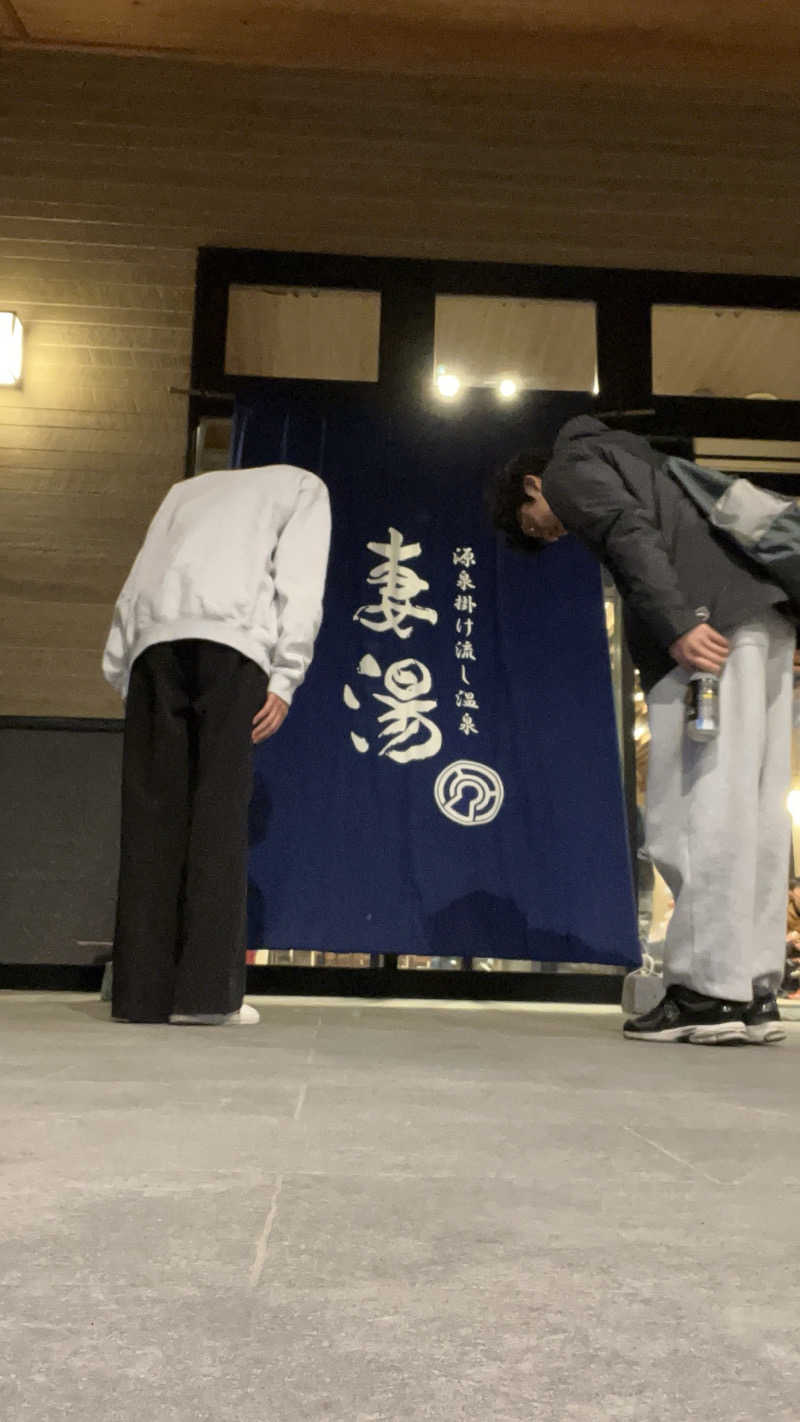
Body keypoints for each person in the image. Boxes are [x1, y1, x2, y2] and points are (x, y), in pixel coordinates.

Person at [488, 415, 795, 1045]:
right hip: (764, 620)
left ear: (530, 486)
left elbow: (629, 536)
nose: (550, 537)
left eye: (534, 527)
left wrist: (677, 621)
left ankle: (707, 992)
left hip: (706, 632)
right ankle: (755, 988)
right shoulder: (646, 463)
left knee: (694, 812)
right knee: (756, 807)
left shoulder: (572, 466)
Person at [102, 462, 331, 1026]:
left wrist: (122, 667)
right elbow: (300, 580)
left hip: (155, 646)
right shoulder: (302, 485)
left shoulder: (184, 489)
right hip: (232, 644)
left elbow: (143, 573)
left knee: (151, 819)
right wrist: (286, 675)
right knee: (218, 815)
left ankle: (139, 996)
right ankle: (205, 998)